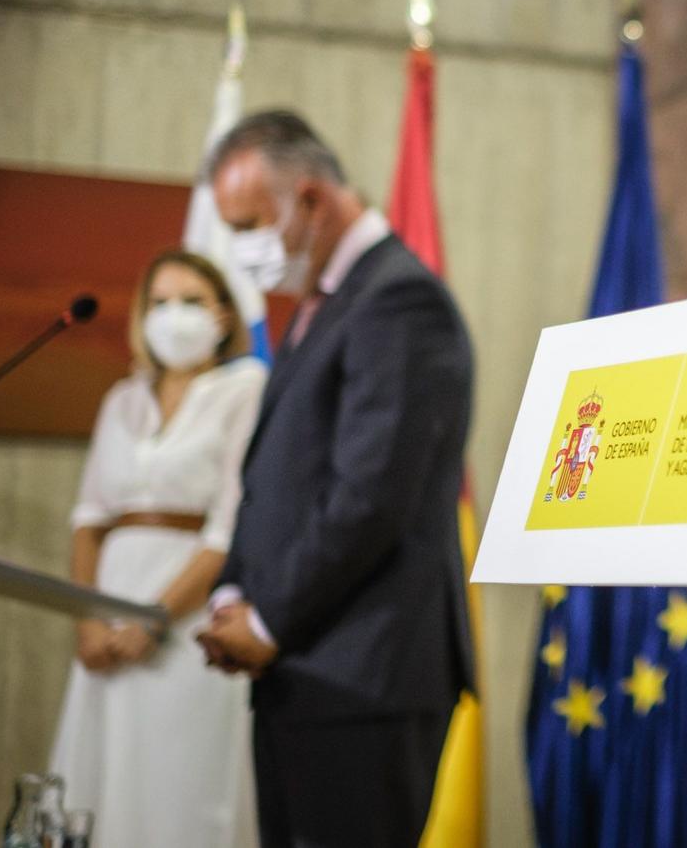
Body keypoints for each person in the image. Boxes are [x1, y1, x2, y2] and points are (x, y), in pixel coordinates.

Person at [194, 109, 473, 848]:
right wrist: (234, 591)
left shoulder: (400, 301)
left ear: (311, 200)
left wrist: (266, 619)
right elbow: (273, 478)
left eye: (250, 224)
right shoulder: (326, 302)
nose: (244, 251)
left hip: (364, 675)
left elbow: (369, 496)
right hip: (302, 669)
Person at [50, 249, 264, 848]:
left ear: (223, 315)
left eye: (192, 301)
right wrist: (90, 622)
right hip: (108, 612)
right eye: (160, 302)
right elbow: (89, 521)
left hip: (190, 615)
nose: (175, 316)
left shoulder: (245, 388)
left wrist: (156, 619)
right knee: (102, 780)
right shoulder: (122, 398)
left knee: (180, 789)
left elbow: (229, 526)